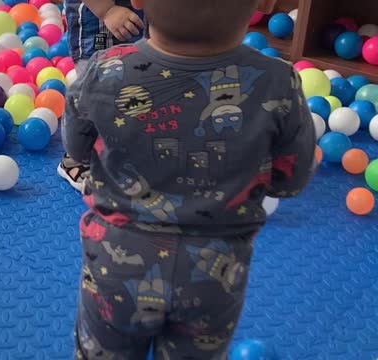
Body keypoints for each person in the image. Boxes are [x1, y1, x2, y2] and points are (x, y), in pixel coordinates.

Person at [62, 0, 317, 358]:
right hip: (216, 272)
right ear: (263, 3)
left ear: (137, 2)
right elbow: (292, 179)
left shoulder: (105, 70)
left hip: (114, 262)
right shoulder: (279, 81)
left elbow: (75, 148)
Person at [58, 0, 146, 192]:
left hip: (138, 22)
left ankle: (125, 152)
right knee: (95, 94)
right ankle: (75, 159)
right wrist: (107, 11)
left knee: (136, 90)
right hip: (97, 27)